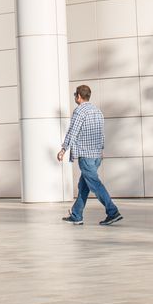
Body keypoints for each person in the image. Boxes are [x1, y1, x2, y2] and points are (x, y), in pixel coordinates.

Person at [57, 86, 121, 227]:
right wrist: (101, 150)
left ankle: (112, 211)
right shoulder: (97, 111)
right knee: (84, 185)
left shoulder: (79, 111)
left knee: (95, 184)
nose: (75, 97)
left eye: (75, 95)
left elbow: (72, 132)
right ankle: (76, 214)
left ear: (79, 96)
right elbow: (101, 133)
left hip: (86, 155)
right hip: (96, 155)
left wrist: (63, 149)